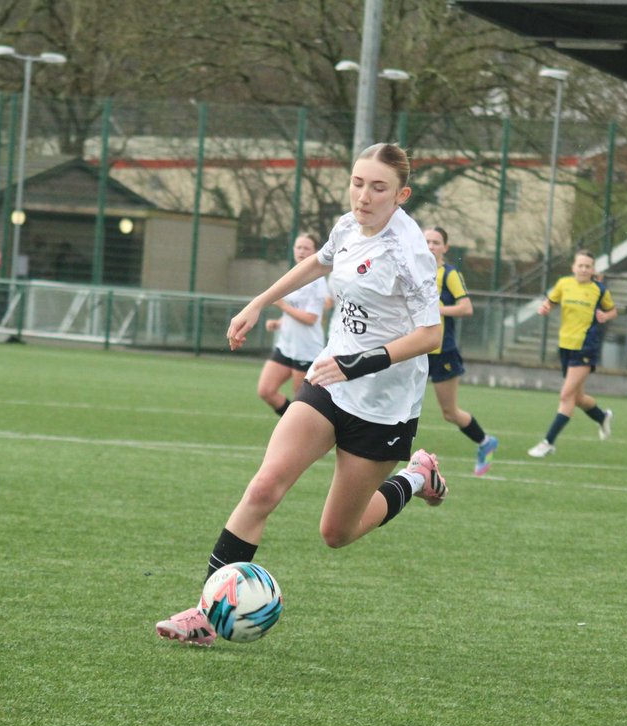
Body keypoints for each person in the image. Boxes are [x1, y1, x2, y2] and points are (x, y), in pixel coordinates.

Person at [157, 142, 447, 646]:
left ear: (401, 194)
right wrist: (258, 301)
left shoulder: (411, 254)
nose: (363, 196)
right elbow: (317, 263)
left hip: (384, 407)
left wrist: (359, 362)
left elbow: (431, 336)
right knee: (264, 487)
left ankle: (417, 478)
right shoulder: (346, 226)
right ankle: (206, 613)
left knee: (337, 533)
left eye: (378, 188)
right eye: (358, 183)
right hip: (327, 383)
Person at [422, 225, 499, 476]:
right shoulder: (414, 270)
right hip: (416, 349)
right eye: (427, 241)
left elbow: (466, 308)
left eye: (436, 242)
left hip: (443, 351)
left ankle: (485, 442)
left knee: (449, 412)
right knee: (399, 403)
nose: (430, 246)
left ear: (445, 247)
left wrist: (439, 309)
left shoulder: (449, 274)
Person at [528, 249, 618, 458]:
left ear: (593, 270)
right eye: (581, 265)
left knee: (566, 395)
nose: (584, 269)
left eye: (588, 266)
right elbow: (550, 301)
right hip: (565, 345)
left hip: (586, 346)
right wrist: (545, 307)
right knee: (577, 397)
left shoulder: (599, 290)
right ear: (573, 267)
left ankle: (548, 442)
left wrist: (606, 315)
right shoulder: (564, 284)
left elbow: (613, 310)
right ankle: (602, 417)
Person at [257, 232, 331, 416]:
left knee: (301, 403)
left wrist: (282, 305)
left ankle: (302, 437)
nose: (301, 251)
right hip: (286, 345)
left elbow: (311, 318)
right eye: (298, 247)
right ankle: (291, 428)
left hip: (305, 349)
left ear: (315, 252)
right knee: (266, 390)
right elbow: (297, 310)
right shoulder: (295, 275)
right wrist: (280, 322)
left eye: (306, 248)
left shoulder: (316, 281)